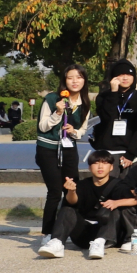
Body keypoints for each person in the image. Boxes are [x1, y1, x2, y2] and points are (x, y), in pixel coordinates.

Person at [37, 149, 134, 259]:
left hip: (108, 234)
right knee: (67, 209)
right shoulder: (83, 184)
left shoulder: (118, 185)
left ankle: (99, 243)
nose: (100, 167)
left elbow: (135, 200)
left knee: (115, 209)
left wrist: (117, 202)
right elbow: (73, 202)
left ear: (111, 167)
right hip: (84, 234)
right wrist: (71, 191)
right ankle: (57, 242)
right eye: (96, 163)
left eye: (105, 163)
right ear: (89, 167)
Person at [35, 65, 92, 237]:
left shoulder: (85, 103)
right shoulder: (52, 99)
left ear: (84, 80)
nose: (75, 81)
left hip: (68, 149)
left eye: (79, 77)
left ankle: (71, 229)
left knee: (71, 188)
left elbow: (82, 130)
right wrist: (58, 113)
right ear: (64, 80)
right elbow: (42, 126)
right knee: (54, 192)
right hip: (48, 148)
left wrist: (74, 131)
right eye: (70, 77)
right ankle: (48, 233)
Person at [91, 59, 137, 166]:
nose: (125, 78)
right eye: (121, 74)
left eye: (128, 74)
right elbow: (107, 117)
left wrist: (131, 154)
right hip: (108, 151)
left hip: (133, 153)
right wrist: (113, 93)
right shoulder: (104, 96)